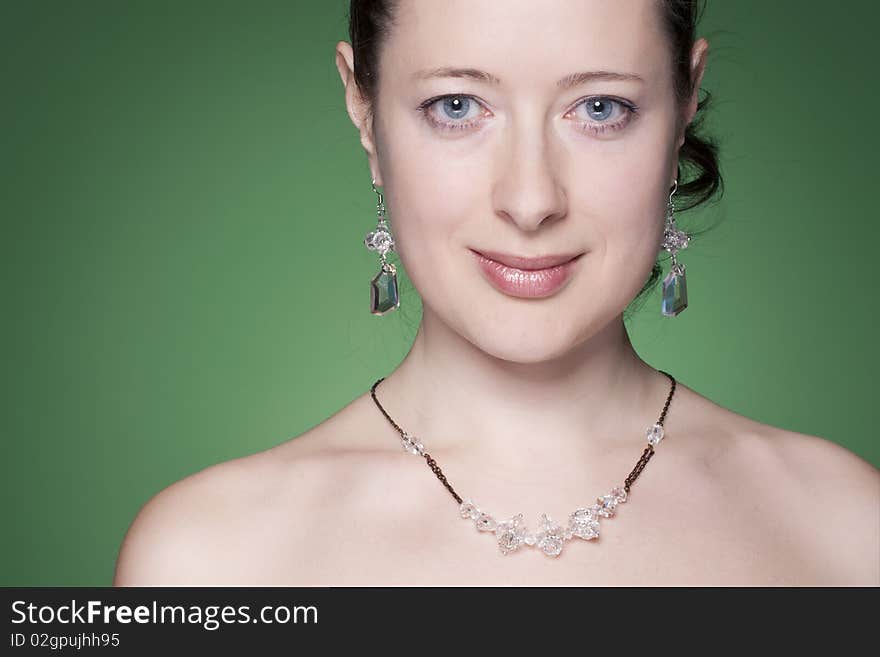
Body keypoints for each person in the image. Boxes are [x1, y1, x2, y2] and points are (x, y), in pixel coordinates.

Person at [113, 0, 879, 586]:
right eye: (456, 107)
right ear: (364, 110)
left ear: (684, 103)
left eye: (600, 108)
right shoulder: (208, 560)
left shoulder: (847, 529)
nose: (530, 199)